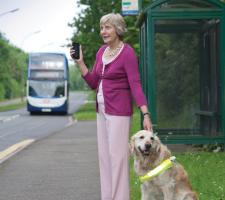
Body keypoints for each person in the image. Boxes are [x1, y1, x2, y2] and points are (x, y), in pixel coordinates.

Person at [70, 13, 152, 200]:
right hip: (102, 111)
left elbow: (135, 84)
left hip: (119, 113)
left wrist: (145, 113)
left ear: (118, 29)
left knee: (118, 159)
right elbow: (93, 82)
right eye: (102, 28)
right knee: (105, 159)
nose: (103, 31)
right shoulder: (101, 52)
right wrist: (80, 63)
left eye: (108, 27)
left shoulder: (127, 53)